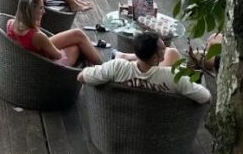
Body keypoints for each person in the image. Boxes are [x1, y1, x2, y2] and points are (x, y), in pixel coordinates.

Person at [77, 31, 211, 104]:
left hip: (119, 118)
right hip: (159, 124)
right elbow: (205, 97)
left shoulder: (117, 68)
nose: (166, 50)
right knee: (174, 54)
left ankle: (123, 55)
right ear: (155, 58)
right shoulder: (173, 77)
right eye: (163, 50)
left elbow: (81, 77)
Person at [7, 0, 103, 66]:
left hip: (30, 54)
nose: (44, 11)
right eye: (40, 8)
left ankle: (96, 67)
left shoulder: (10, 23)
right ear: (31, 12)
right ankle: (103, 68)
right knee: (76, 47)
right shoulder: (37, 35)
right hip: (44, 64)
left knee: (77, 34)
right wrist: (37, 28)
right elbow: (57, 55)